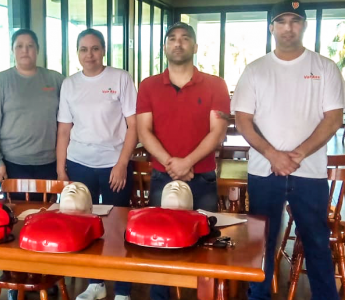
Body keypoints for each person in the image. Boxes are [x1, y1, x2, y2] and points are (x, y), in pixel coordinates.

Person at [232, 1, 344, 299]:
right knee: (263, 243)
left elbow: (333, 118)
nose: (288, 27)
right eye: (281, 21)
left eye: (295, 21)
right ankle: (259, 296)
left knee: (317, 242)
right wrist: (273, 154)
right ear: (272, 27)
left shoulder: (324, 67)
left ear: (304, 26)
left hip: (309, 173)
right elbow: (243, 119)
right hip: (263, 172)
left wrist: (297, 154)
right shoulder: (256, 70)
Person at [136, 22, 230, 300]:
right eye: (172, 39)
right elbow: (144, 130)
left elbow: (218, 131)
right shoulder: (149, 85)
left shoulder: (216, 84)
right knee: (158, 244)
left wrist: (186, 162)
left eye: (185, 38)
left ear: (195, 47)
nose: (178, 43)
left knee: (207, 244)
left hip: (202, 177)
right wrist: (172, 164)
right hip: (161, 177)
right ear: (165, 47)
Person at [56, 28, 137, 300]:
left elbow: (133, 125)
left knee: (118, 224)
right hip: (79, 163)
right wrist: (60, 168)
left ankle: (123, 288)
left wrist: (122, 163)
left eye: (94, 48)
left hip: (115, 164)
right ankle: (96, 283)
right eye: (83, 49)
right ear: (77, 53)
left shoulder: (120, 78)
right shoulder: (70, 84)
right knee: (85, 224)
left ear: (103, 50)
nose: (89, 55)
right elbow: (64, 130)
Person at [0, 29, 64, 186]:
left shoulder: (55, 79)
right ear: (12, 50)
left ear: (37, 49)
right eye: (19, 46)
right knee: (18, 209)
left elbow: (68, 121)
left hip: (49, 162)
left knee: (45, 209)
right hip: (12, 163)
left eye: (30, 45)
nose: (25, 50)